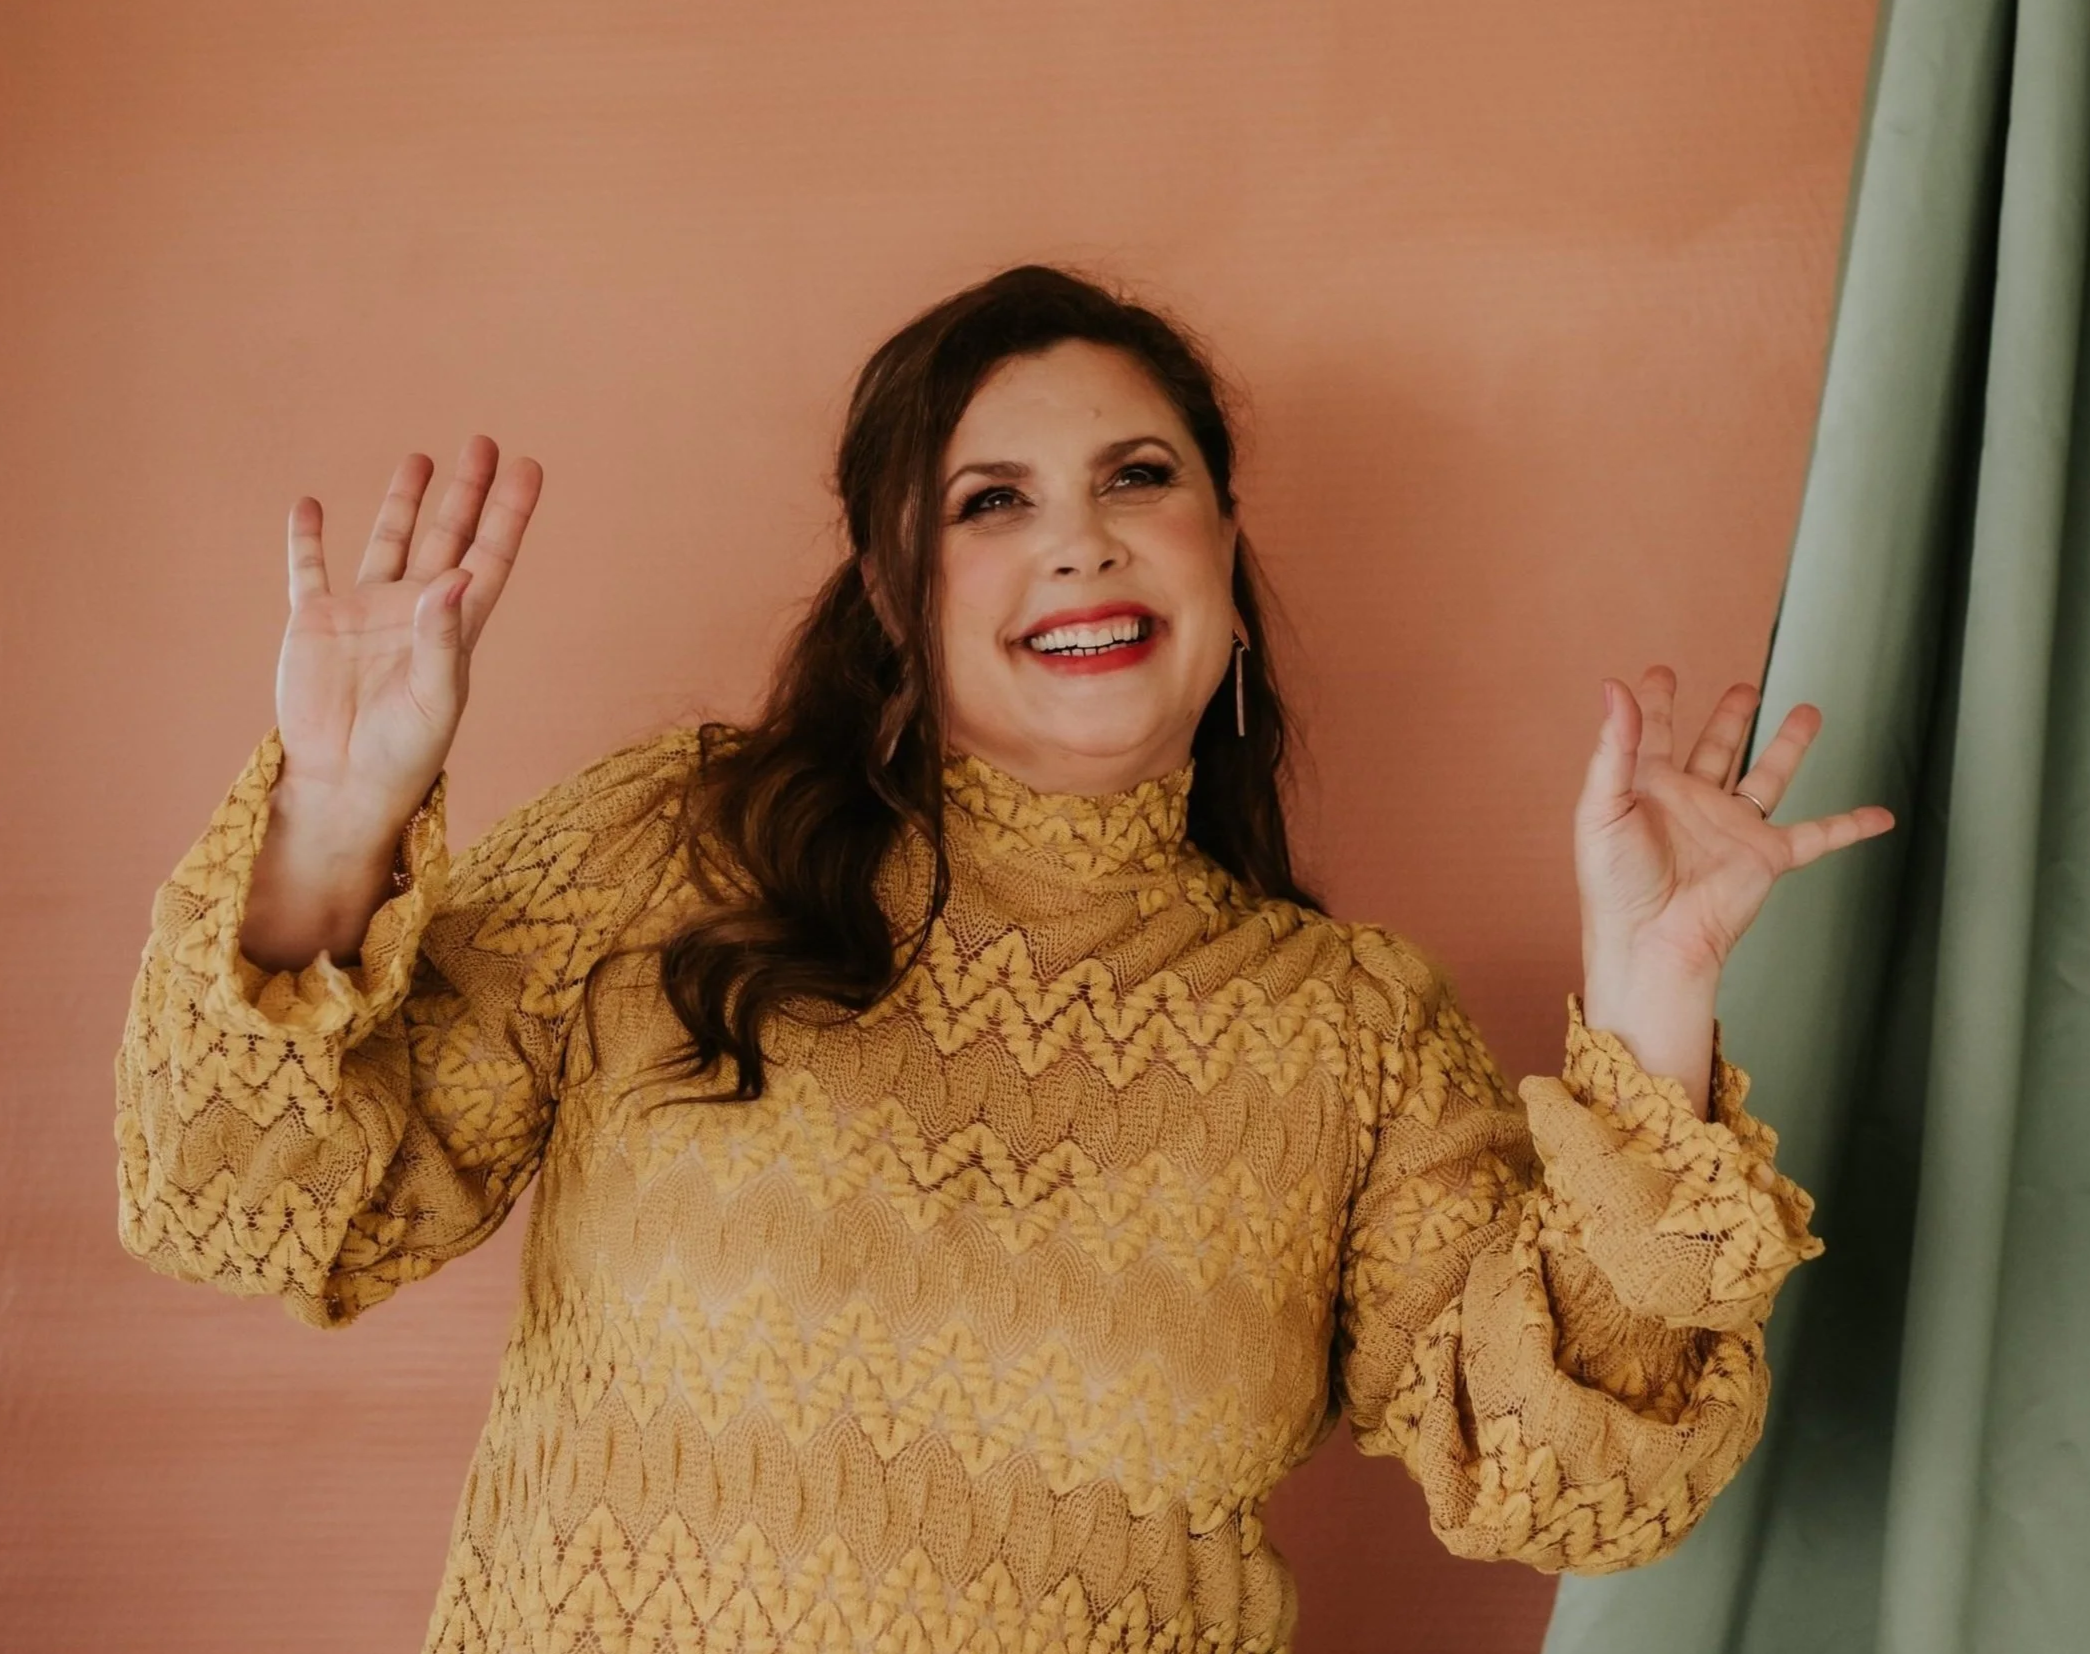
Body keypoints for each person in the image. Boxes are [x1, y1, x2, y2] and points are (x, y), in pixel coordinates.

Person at [113, 263, 1891, 1654]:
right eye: (989, 499)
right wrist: (336, 823)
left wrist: (1655, 1012)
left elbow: (1567, 1482)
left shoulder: (1346, 1033)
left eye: (1141, 475)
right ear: (894, 590)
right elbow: (245, 1204)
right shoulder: (680, 847)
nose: (1078, 535)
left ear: (1218, 563)